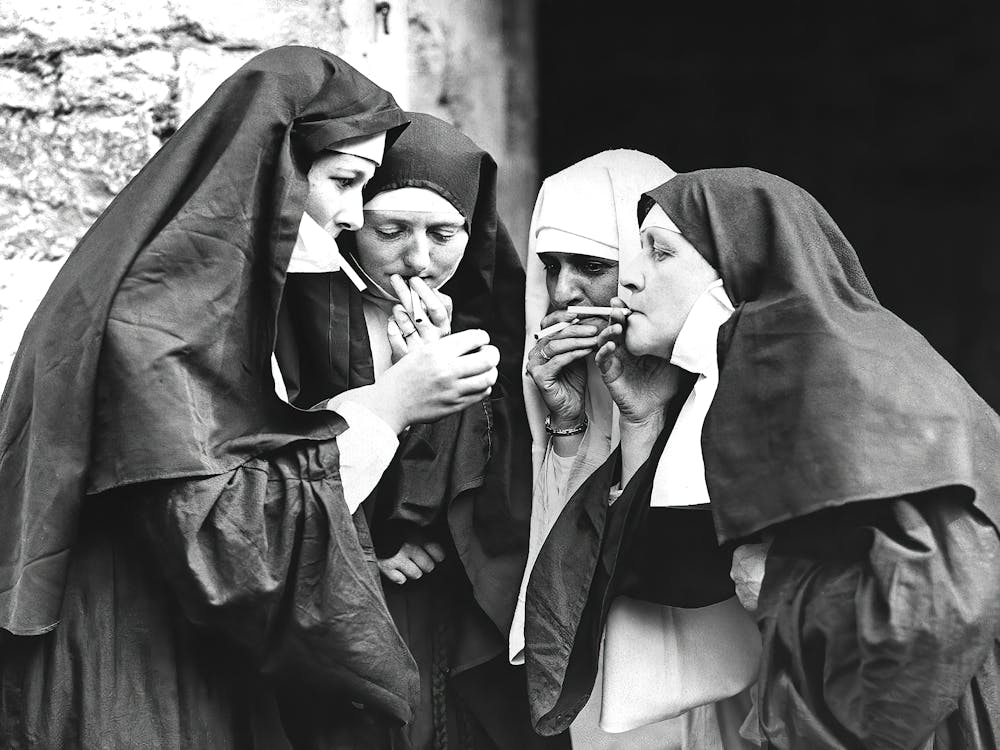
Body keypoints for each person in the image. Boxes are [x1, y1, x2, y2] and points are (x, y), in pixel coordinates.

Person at [0, 47, 501, 748]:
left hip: (197, 645)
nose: (351, 216)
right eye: (344, 182)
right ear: (273, 167)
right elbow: (225, 537)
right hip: (128, 659)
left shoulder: (223, 299)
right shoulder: (162, 316)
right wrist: (389, 405)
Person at [592, 167, 1000, 748]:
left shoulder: (848, 373)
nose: (627, 276)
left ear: (741, 267)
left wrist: (786, 587)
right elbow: (670, 578)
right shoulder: (740, 377)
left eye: (660, 252)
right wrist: (641, 422)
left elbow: (943, 604)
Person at [273, 111, 559, 750]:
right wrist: (362, 545)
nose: (419, 258)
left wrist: (451, 383)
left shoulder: (492, 320)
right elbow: (271, 454)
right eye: (391, 230)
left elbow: (516, 465)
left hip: (450, 591)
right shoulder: (295, 315)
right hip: (338, 589)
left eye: (443, 233)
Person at [508, 150, 688, 748]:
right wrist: (566, 421)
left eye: (590, 265)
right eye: (550, 266)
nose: (564, 291)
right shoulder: (548, 374)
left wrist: (642, 416)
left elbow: (666, 554)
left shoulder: (716, 368)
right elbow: (559, 552)